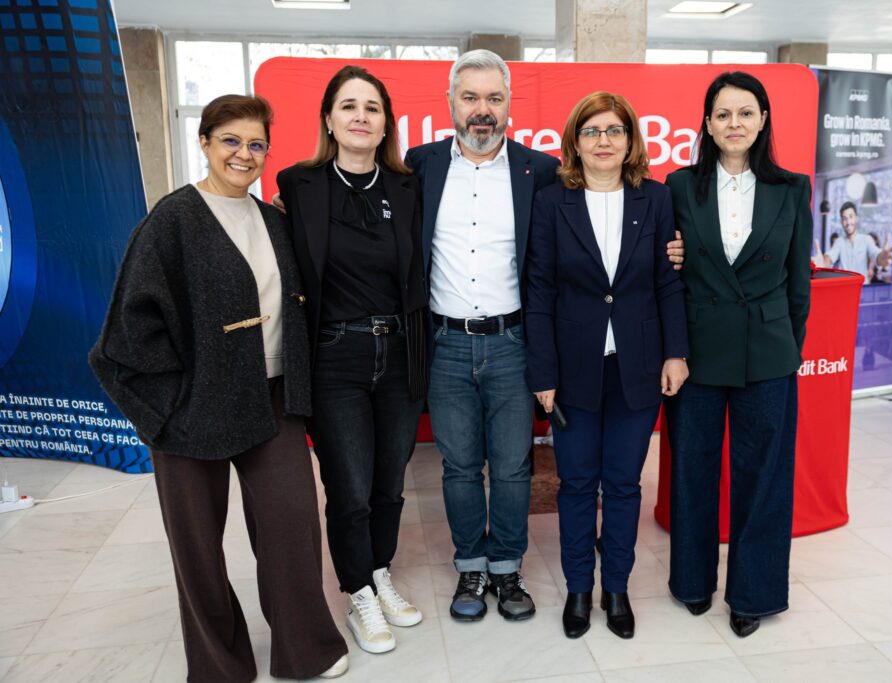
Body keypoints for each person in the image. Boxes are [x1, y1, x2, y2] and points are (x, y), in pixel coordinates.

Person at [89, 94, 349, 680]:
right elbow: (126, 332)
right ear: (204, 142)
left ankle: (305, 649)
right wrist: (168, 406)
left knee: (292, 527)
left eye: (256, 144)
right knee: (198, 548)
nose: (244, 154)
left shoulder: (274, 221)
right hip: (193, 406)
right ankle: (218, 665)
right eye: (230, 140)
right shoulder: (171, 221)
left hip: (273, 397)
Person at [403, 49, 560, 622]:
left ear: (509, 103)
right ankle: (471, 565)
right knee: (460, 467)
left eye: (494, 98)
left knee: (514, 467)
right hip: (444, 345)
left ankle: (507, 568)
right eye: (470, 97)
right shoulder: (419, 165)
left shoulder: (540, 171)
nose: (482, 110)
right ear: (450, 102)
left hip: (513, 344)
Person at [525, 92, 689, 640]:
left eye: (614, 130)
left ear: (630, 140)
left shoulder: (656, 198)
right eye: (591, 131)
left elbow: (669, 282)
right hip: (572, 371)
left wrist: (676, 352)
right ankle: (579, 589)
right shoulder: (551, 202)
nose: (603, 141)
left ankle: (615, 588)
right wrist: (542, 373)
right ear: (575, 141)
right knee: (575, 484)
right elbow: (539, 291)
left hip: (637, 367)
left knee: (622, 485)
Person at [276, 65, 428, 655]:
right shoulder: (297, 185)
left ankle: (379, 570)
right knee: (350, 487)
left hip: (400, 353)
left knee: (390, 483)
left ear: (386, 123)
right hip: (334, 356)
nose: (361, 116)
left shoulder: (408, 189)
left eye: (372, 107)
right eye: (349, 106)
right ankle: (357, 590)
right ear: (329, 120)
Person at [664, 71, 812, 639]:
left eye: (746, 113)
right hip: (697, 351)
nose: (734, 124)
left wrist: (787, 347)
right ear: (707, 124)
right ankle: (692, 582)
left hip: (767, 354)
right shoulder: (680, 186)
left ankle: (754, 594)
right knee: (692, 471)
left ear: (763, 120)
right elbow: (668, 271)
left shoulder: (791, 188)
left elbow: (798, 284)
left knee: (764, 478)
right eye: (723, 114)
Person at [823, 201, 892, 283]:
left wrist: (882, 258)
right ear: (841, 222)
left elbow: (876, 255)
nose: (848, 222)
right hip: (845, 288)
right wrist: (823, 261)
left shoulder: (866, 239)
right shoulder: (839, 242)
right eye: (844, 218)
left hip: (863, 289)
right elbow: (830, 257)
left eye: (851, 217)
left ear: (856, 219)